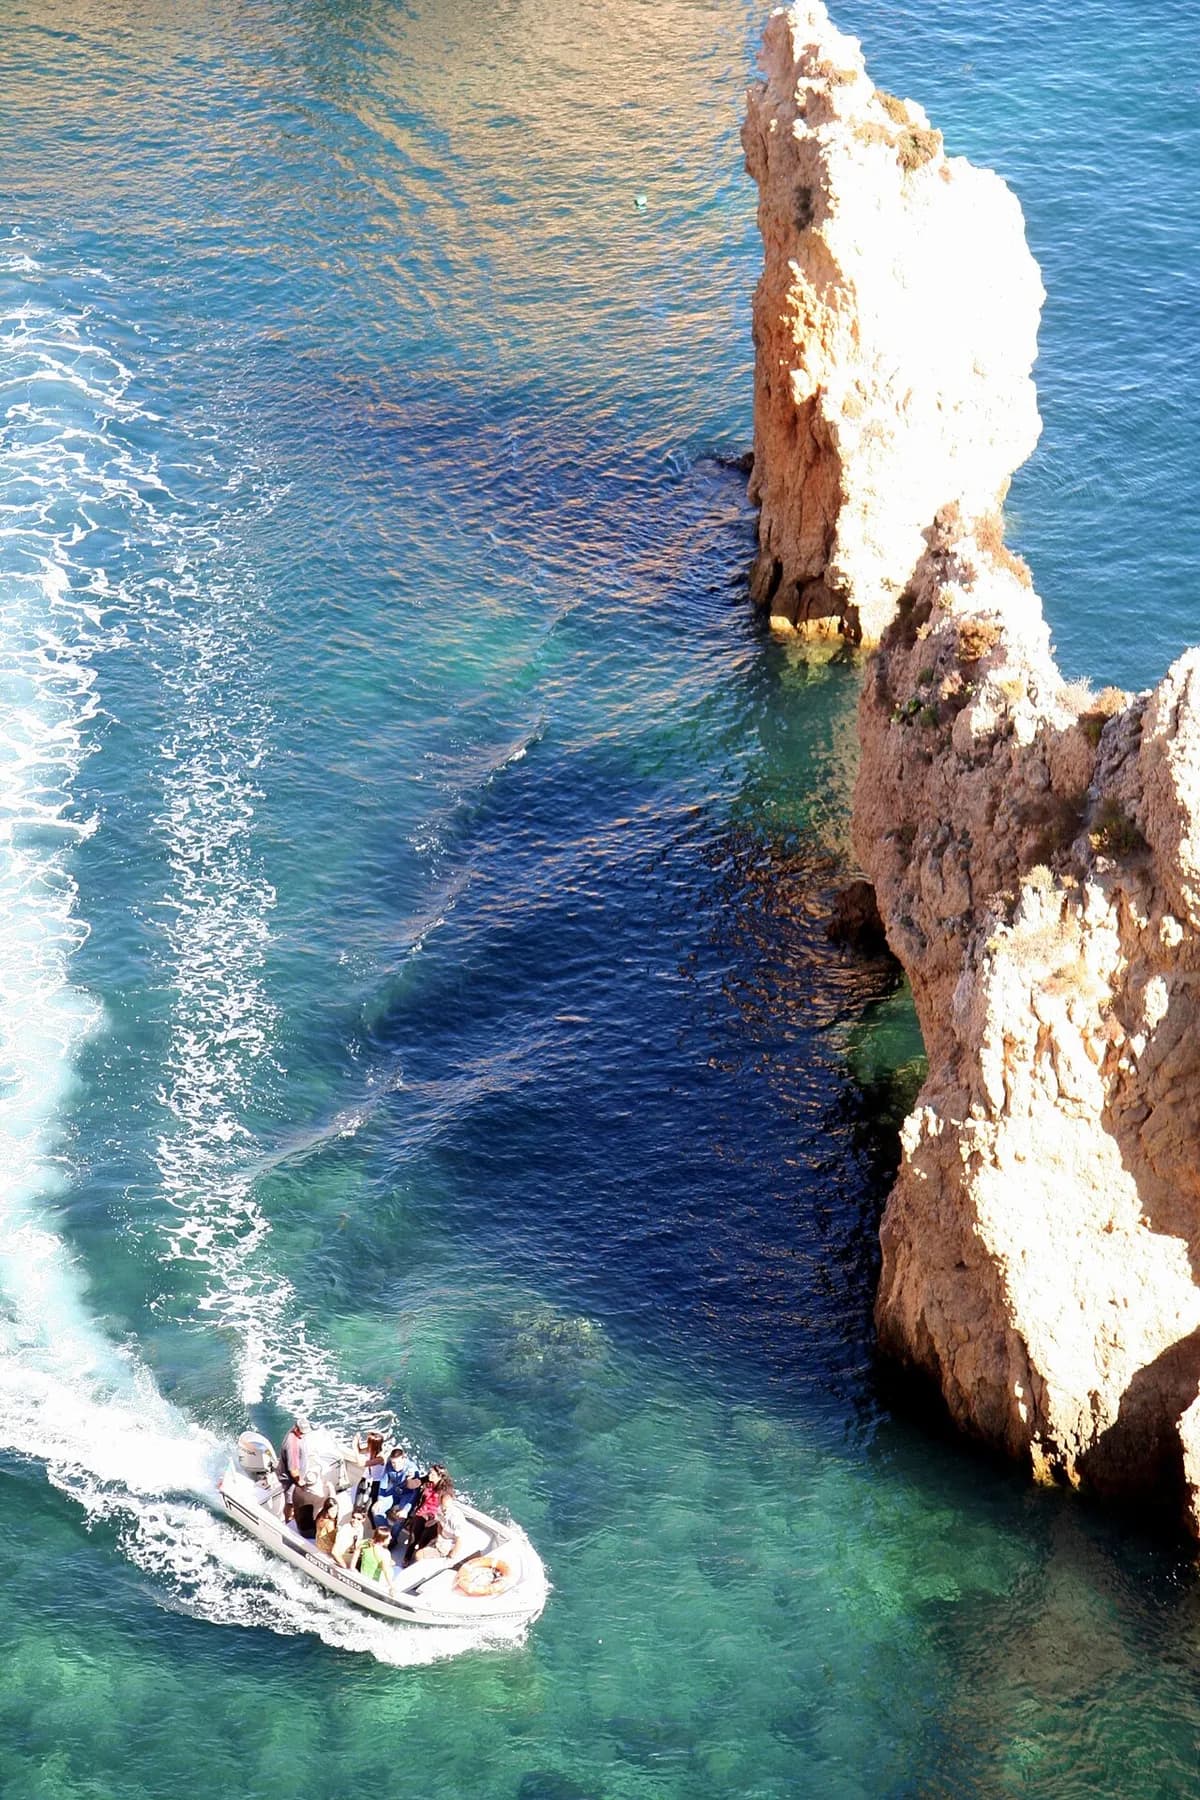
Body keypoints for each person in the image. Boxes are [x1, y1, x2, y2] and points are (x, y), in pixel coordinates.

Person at [401, 1465, 446, 1566]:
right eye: (429, 1473)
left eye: (432, 1474)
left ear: (439, 1477)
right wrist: (409, 1478)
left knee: (425, 1538)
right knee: (414, 1535)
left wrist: (435, 1519)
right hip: (422, 1512)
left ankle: (419, 1557)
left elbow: (445, 1509)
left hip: (435, 1516)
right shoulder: (427, 1481)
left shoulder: (445, 1490)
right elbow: (413, 1484)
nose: (429, 1475)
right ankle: (407, 1557)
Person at [373, 1446, 420, 1523]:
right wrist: (380, 1500)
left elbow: (415, 1491)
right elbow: (383, 1483)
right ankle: (385, 1532)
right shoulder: (389, 1465)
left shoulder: (412, 1469)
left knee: (401, 1518)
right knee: (376, 1510)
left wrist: (405, 1509)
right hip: (394, 1492)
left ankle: (394, 1534)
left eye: (398, 1462)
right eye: (393, 1463)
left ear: (403, 1459)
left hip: (407, 1495)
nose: (396, 1465)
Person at [434, 1474, 468, 1562]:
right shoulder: (440, 1509)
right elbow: (439, 1525)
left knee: (420, 1555)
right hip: (443, 1538)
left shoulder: (455, 1518)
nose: (444, 1510)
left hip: (451, 1542)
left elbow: (459, 1541)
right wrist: (439, 1538)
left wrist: (451, 1555)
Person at [357, 1526, 396, 1596]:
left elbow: (356, 1550)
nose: (391, 1538)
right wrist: (392, 1587)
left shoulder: (365, 1542)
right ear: (383, 1539)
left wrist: (352, 1568)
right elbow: (386, 1571)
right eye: (389, 1536)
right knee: (396, 1569)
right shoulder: (385, 1553)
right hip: (375, 1581)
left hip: (363, 1575)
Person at [352, 1431, 386, 1508]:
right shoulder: (370, 1449)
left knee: (370, 1506)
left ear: (374, 1445)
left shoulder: (380, 1458)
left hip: (376, 1481)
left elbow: (361, 1463)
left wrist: (354, 1447)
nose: (368, 1444)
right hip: (367, 1477)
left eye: (369, 1443)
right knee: (357, 1504)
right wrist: (357, 1441)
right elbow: (360, 1451)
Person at [332, 1505, 367, 1570]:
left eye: (358, 1519)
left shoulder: (360, 1527)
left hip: (352, 1558)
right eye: (353, 1517)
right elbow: (334, 1551)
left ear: (363, 1520)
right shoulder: (345, 1530)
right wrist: (344, 1566)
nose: (355, 1521)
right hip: (341, 1560)